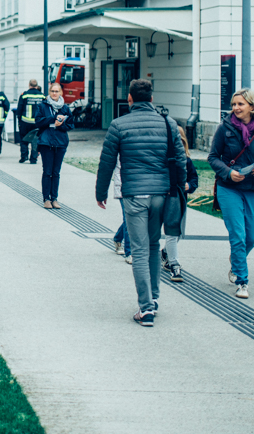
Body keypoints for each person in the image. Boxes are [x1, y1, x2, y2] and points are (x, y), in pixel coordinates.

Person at [94, 79, 186, 327]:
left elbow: (107, 162)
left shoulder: (118, 125)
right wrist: (179, 190)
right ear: (152, 99)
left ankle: (145, 308)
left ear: (130, 100)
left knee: (140, 249)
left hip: (133, 195)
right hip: (161, 195)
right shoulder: (168, 124)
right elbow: (180, 161)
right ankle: (153, 299)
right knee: (154, 245)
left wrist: (100, 192)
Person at [209, 88, 254, 300]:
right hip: (229, 188)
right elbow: (212, 157)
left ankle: (236, 260)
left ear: (251, 106)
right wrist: (229, 172)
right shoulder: (224, 128)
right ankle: (242, 281)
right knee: (237, 236)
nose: (236, 108)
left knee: (252, 237)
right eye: (234, 104)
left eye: (240, 104)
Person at [160, 125, 200, 282]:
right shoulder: (161, 159)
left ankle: (165, 253)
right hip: (163, 197)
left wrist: (189, 185)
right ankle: (174, 264)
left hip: (178, 199)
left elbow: (194, 179)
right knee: (172, 232)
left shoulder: (186, 161)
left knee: (177, 233)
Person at [33, 82, 75, 209]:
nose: (55, 94)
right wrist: (52, 118)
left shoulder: (65, 108)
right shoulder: (42, 106)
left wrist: (61, 125)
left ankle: (54, 198)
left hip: (60, 143)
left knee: (56, 172)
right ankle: (46, 199)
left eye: (57, 91)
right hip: (46, 143)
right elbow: (38, 122)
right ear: (49, 93)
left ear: (61, 93)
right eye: (53, 91)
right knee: (47, 171)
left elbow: (71, 125)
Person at [15, 80, 45, 165]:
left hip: (25, 121)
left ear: (29, 85)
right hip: (37, 123)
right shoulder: (42, 96)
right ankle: (33, 159)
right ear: (37, 85)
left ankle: (24, 157)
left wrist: (19, 120)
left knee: (24, 139)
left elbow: (19, 108)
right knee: (35, 140)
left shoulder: (24, 95)